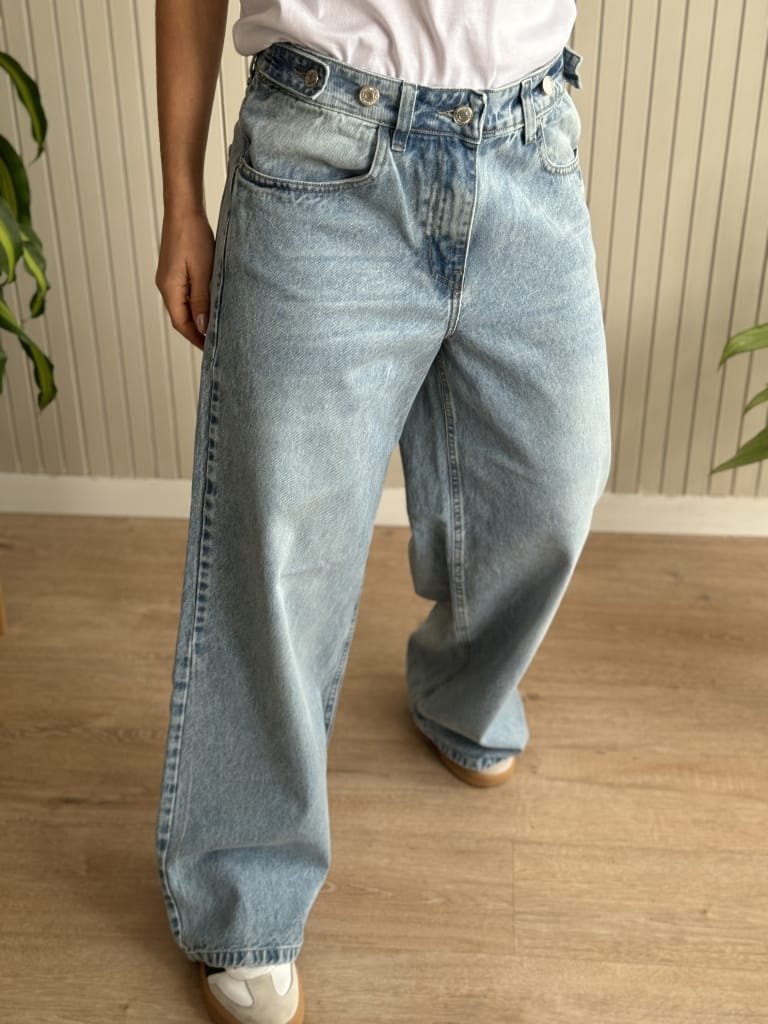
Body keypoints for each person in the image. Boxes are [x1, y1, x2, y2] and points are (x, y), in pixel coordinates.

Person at [153, 1, 611, 1021]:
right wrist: (182, 197)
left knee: (554, 483)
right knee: (282, 549)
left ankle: (458, 690)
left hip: (528, 140)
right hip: (326, 148)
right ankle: (243, 890)